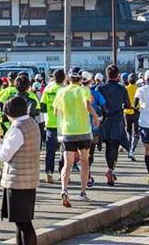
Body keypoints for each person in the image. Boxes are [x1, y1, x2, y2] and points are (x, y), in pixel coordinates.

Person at [0, 96, 40, 245]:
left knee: (23, 224)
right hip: (30, 178)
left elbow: (4, 155)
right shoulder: (32, 123)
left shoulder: (17, 128)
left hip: (17, 181)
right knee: (22, 222)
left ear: (9, 112)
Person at [54, 67, 99, 207]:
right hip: (84, 131)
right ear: (80, 78)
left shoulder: (61, 91)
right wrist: (96, 116)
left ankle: (64, 189)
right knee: (84, 161)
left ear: (68, 77)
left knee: (67, 163)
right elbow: (88, 106)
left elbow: (56, 112)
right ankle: (82, 193)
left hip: (68, 132)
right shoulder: (84, 90)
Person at [96, 65, 129, 187]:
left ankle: (108, 169)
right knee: (113, 146)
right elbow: (128, 104)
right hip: (117, 120)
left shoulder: (100, 88)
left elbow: (97, 104)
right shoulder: (122, 89)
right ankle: (111, 169)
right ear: (118, 75)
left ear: (106, 74)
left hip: (104, 120)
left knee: (107, 146)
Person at [40, 69, 64, 184]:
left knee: (50, 151)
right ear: (64, 78)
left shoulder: (48, 89)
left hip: (50, 123)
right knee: (64, 150)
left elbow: (42, 107)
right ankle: (63, 174)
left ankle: (49, 173)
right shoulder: (65, 90)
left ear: (53, 78)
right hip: (63, 124)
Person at [124, 73, 140, 160]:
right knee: (136, 132)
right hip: (136, 112)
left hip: (126, 112)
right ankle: (132, 150)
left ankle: (128, 148)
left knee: (128, 131)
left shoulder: (125, 88)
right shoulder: (138, 89)